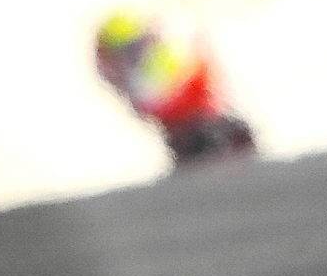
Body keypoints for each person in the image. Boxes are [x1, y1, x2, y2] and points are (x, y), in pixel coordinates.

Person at [93, 9, 254, 164]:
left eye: (136, 48)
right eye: (128, 52)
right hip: (184, 124)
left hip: (200, 114)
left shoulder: (168, 55)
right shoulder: (129, 77)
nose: (135, 56)